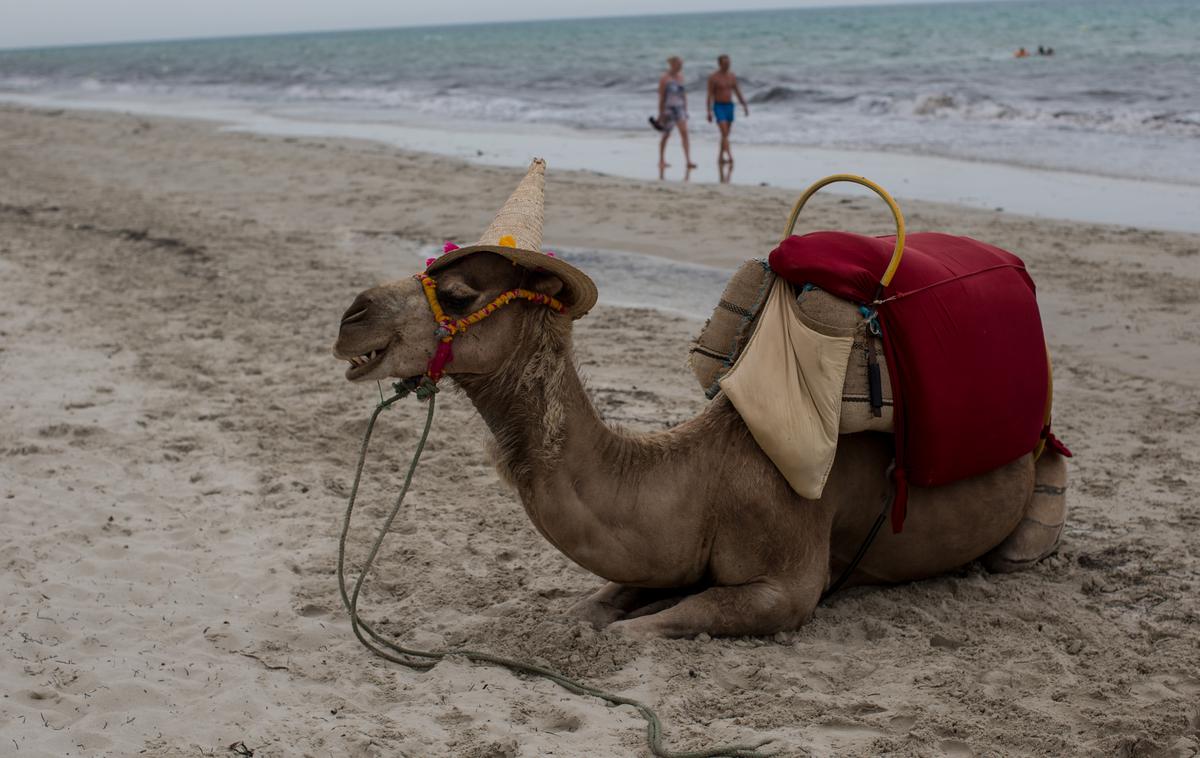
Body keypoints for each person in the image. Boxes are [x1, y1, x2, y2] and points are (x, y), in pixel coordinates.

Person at [706, 54, 749, 180]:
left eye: (728, 63)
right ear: (720, 64)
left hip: (729, 106)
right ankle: (730, 156)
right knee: (724, 133)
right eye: (725, 63)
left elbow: (737, 91)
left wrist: (744, 105)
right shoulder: (714, 78)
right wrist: (708, 111)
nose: (727, 65)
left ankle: (720, 156)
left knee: (726, 135)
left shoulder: (732, 76)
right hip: (718, 106)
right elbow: (709, 95)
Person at [655, 56, 696, 179]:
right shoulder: (664, 78)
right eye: (679, 64)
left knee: (684, 133)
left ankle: (688, 160)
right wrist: (661, 114)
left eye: (681, 64)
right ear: (672, 64)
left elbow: (683, 94)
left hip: (680, 108)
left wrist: (686, 109)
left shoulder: (681, 77)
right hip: (669, 109)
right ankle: (661, 160)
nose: (680, 66)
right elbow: (661, 97)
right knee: (666, 134)